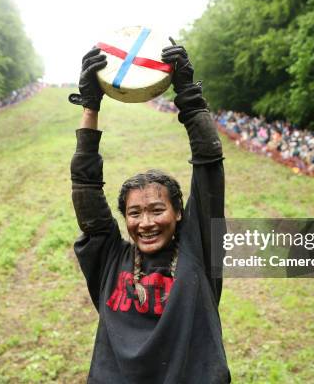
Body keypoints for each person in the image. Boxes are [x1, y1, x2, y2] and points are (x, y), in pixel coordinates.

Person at [68, 43, 230, 383]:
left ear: (180, 213)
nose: (146, 223)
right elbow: (85, 185)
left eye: (157, 210)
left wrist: (188, 93)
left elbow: (209, 165)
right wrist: (90, 106)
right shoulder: (110, 256)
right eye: (134, 213)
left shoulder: (198, 252)